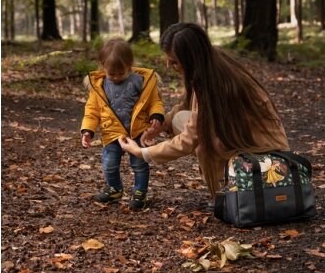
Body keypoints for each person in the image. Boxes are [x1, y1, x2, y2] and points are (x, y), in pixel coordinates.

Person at [119, 23, 289, 202]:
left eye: (175, 61)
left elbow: (189, 140)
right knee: (179, 119)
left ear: (191, 58)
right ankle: (227, 183)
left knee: (204, 141)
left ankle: (226, 193)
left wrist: (142, 153)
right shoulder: (213, 62)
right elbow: (188, 106)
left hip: (263, 152)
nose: (169, 65)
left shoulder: (212, 84)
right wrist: (161, 123)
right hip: (251, 141)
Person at [80, 38, 165, 209]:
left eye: (121, 73)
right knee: (109, 164)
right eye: (112, 74)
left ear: (130, 64)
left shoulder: (140, 81)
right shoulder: (100, 85)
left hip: (138, 131)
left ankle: (140, 192)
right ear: (102, 65)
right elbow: (92, 110)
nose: (116, 77)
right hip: (112, 132)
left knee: (139, 164)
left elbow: (154, 101)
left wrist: (156, 114)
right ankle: (114, 188)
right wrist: (88, 130)